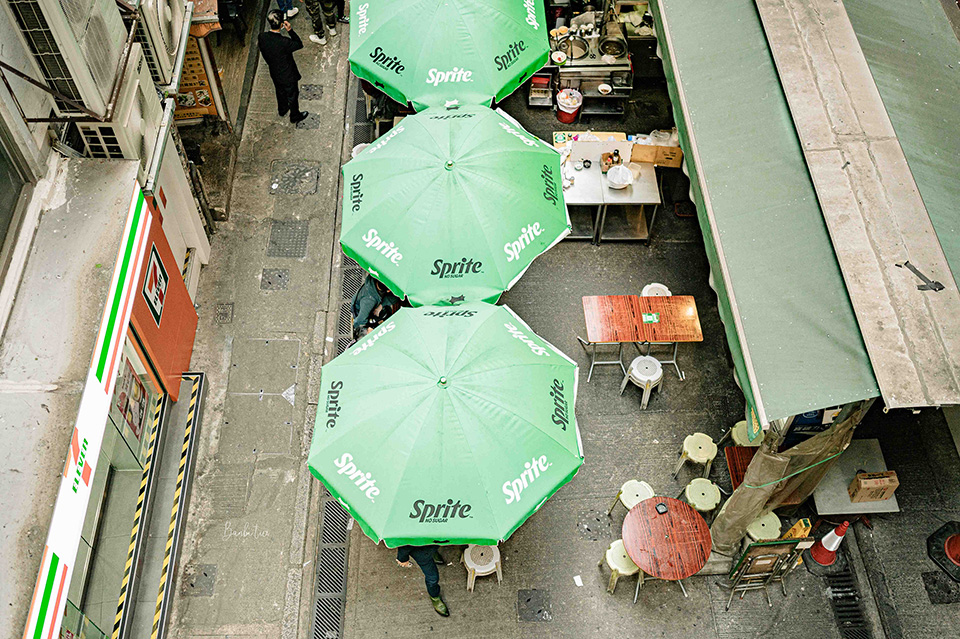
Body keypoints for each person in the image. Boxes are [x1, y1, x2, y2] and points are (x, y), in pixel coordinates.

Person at [258, 10, 308, 123]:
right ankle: (294, 115)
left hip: (274, 72)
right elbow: (299, 44)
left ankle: (282, 109)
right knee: (292, 95)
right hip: (288, 74)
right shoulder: (284, 42)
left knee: (280, 91)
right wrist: (290, 30)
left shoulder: (262, 37)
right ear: (281, 25)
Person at [396, 545, 449, 617]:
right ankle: (434, 597)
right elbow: (406, 540)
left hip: (433, 541)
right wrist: (402, 558)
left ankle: (433, 551)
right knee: (432, 578)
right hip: (421, 551)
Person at [351, 275, 402, 340]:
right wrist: (368, 330)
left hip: (370, 304)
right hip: (361, 313)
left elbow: (395, 298)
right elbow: (359, 322)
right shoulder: (369, 301)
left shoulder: (374, 277)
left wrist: (381, 305)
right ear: (389, 290)